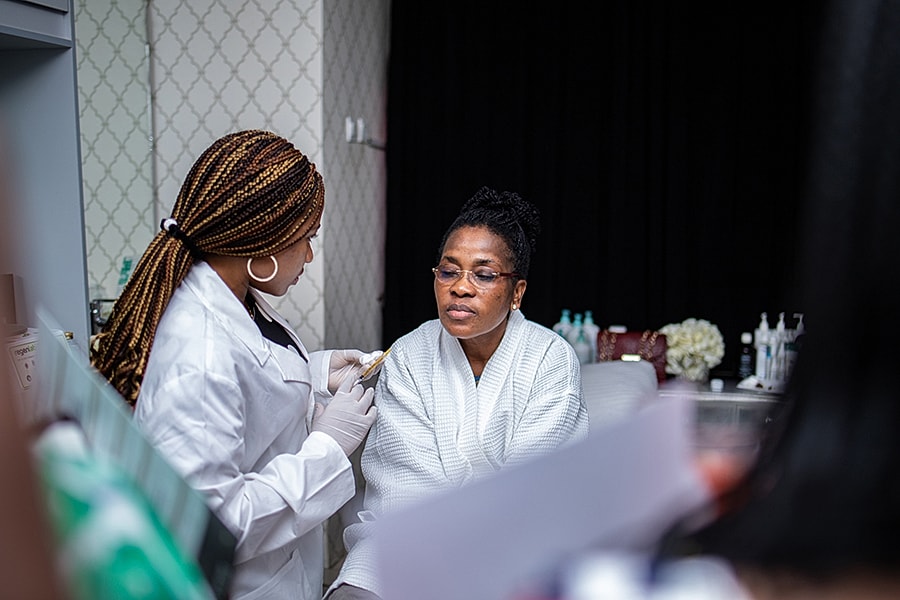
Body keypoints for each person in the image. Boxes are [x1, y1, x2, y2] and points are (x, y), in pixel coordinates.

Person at [90, 130, 381, 600]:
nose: (309, 255)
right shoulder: (198, 354)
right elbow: (211, 527)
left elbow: (249, 376)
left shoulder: (230, 294)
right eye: (305, 238)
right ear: (261, 245)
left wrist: (314, 373)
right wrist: (327, 449)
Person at [326, 186, 590, 599]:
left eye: (483, 275)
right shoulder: (410, 354)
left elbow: (531, 490)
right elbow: (401, 492)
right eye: (449, 272)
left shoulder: (549, 358)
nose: (461, 288)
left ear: (517, 292)